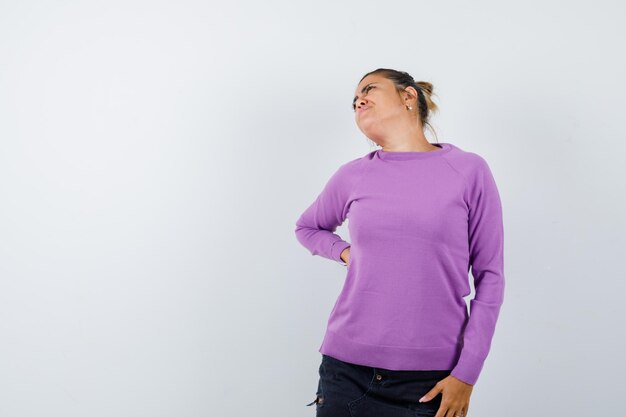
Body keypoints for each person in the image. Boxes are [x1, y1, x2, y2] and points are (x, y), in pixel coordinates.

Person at [294, 68, 505, 417]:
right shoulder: (353, 174)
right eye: (354, 100)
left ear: (408, 97)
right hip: (345, 373)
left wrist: (467, 374)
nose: (359, 99)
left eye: (370, 89)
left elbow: (490, 277)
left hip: (429, 383)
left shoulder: (468, 171)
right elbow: (308, 228)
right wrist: (346, 253)